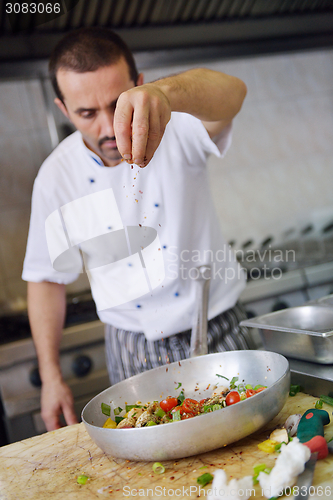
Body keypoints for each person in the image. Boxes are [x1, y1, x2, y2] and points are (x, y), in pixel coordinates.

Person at [22, 27, 253, 432]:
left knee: (251, 450)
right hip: (133, 348)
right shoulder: (55, 178)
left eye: (116, 104)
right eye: (86, 114)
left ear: (139, 84)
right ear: (64, 109)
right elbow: (45, 279)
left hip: (217, 326)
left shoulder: (179, 127)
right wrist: (51, 374)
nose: (109, 128)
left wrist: (166, 96)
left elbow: (234, 93)